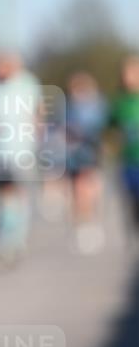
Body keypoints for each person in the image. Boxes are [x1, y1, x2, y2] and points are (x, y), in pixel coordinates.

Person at [0, 52, 43, 264]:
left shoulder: (29, 84)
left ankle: (15, 238)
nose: (1, 68)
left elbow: (39, 112)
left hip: (20, 150)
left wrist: (36, 130)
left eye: (6, 64)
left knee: (15, 192)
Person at [64, 71, 108, 253]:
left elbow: (104, 127)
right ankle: (83, 227)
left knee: (94, 190)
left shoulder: (99, 106)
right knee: (79, 192)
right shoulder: (68, 108)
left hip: (93, 154)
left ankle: (92, 221)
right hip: (75, 156)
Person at [109, 54, 139, 235]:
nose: (129, 77)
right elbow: (109, 129)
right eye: (126, 73)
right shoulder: (118, 102)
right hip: (128, 160)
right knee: (133, 202)